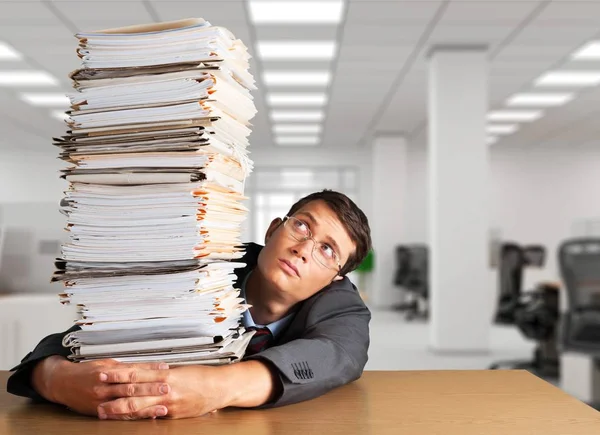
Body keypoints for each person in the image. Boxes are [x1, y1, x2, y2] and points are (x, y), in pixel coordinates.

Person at [7, 190, 372, 420]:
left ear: (336, 278)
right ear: (273, 230)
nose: (303, 250)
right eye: (302, 227)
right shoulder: (204, 265)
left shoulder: (343, 306)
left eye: (328, 250)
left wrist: (220, 386)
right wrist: (55, 378)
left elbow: (339, 353)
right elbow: (81, 337)